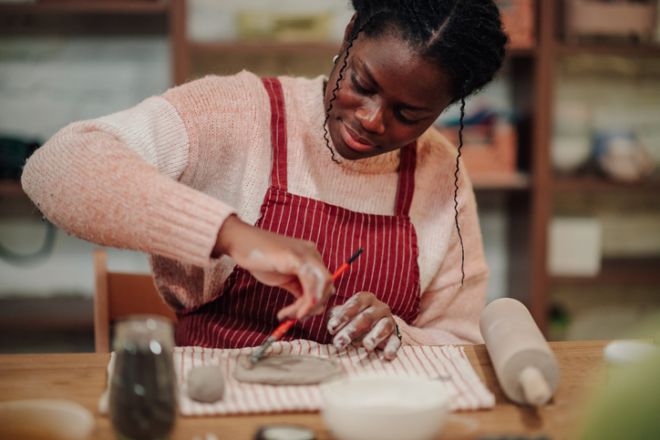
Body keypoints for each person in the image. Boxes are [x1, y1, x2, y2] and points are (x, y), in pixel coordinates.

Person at [21, 0, 507, 360]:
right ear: (351, 33)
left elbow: (459, 342)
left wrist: (400, 334)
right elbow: (57, 166)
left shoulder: (441, 170)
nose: (373, 119)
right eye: (362, 84)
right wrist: (233, 236)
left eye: (409, 113)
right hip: (217, 408)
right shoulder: (236, 111)